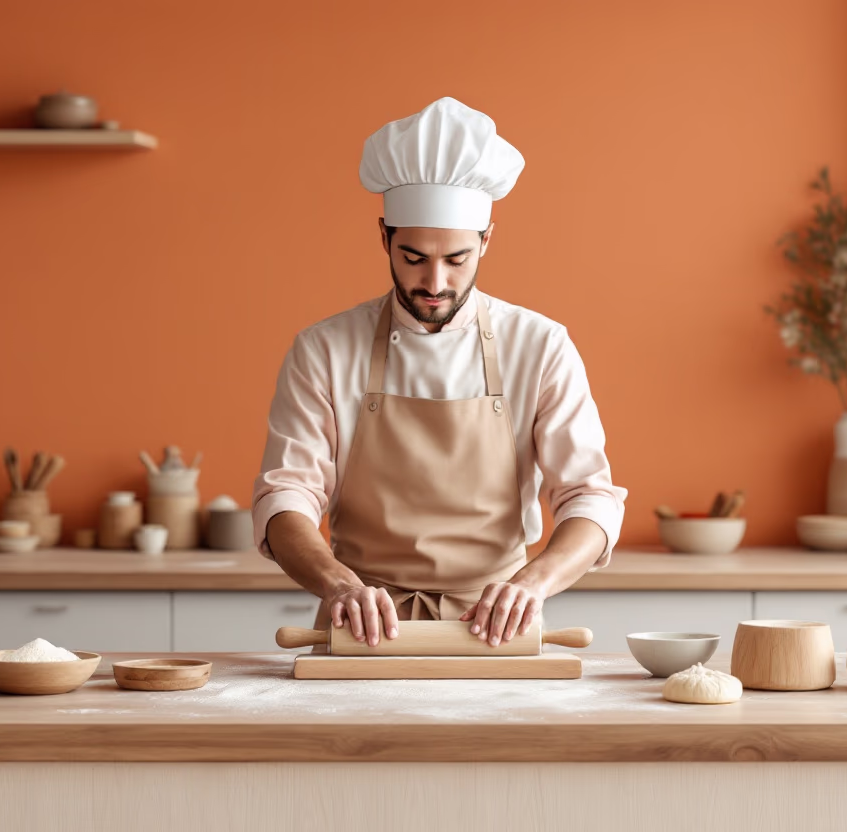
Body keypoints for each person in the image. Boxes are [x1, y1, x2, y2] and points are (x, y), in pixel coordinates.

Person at [252, 97, 627, 650]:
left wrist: (533, 584)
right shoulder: (324, 349)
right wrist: (336, 584)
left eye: (456, 259)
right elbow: (286, 496)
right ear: (384, 238)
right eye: (412, 257)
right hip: (362, 628)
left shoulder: (541, 345)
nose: (434, 281)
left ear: (486, 242)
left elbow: (589, 497)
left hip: (497, 630)